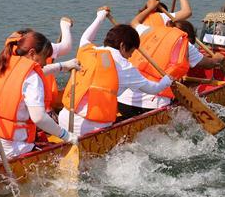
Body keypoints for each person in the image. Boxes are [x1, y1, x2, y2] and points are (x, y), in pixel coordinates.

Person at [59, 8, 173, 136]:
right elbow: (153, 89)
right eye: (131, 52)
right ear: (123, 46)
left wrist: (100, 16)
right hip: (90, 128)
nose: (130, 56)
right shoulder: (125, 67)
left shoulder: (88, 50)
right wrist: (167, 81)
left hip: (64, 119)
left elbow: (86, 37)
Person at [0, 31, 77, 162]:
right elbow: (39, 118)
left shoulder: (1, 63)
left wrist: (62, 66)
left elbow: (34, 73)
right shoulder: (32, 77)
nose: (45, 63)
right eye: (43, 58)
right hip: (12, 147)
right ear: (31, 53)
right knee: (55, 158)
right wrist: (66, 136)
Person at [121, 0, 224, 119]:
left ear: (168, 24)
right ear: (187, 35)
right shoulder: (184, 43)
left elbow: (135, 21)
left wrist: (150, 7)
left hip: (124, 101)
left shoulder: (147, 31)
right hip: (153, 104)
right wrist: (217, 58)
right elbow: (208, 64)